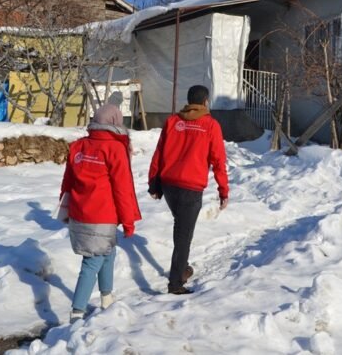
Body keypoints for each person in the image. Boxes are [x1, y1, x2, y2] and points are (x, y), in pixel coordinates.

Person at [60, 104, 141, 322]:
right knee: (92, 260)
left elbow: (67, 182)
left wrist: (65, 208)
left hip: (80, 212)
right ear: (115, 122)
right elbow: (122, 188)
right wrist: (129, 221)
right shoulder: (115, 149)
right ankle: (77, 312)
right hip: (103, 215)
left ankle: (107, 298)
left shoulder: (79, 146)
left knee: (108, 252)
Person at [148, 85, 229, 295]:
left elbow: (159, 153)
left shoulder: (173, 121)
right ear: (205, 102)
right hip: (190, 188)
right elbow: (219, 160)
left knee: (181, 229)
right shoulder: (210, 125)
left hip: (169, 185)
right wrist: (224, 191)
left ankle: (182, 268)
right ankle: (176, 283)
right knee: (184, 235)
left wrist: (154, 183)